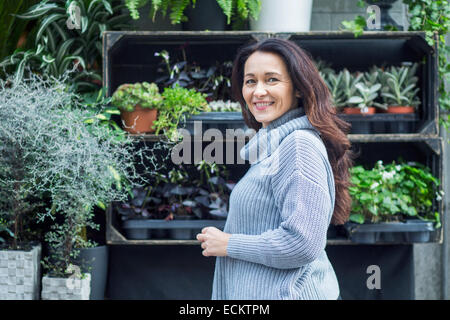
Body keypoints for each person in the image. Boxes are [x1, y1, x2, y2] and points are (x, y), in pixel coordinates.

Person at [196, 38, 355, 300]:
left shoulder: (298, 146)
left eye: (271, 80)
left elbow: (302, 244)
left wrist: (229, 244)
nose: (258, 91)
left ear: (299, 89)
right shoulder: (274, 146)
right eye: (250, 81)